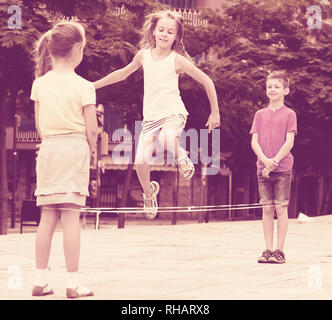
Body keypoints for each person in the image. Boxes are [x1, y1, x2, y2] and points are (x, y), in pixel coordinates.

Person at [94, 10, 220, 219]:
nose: (164, 34)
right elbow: (122, 73)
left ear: (176, 37)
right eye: (161, 29)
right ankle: (148, 193)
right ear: (153, 31)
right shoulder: (143, 56)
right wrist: (94, 86)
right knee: (140, 160)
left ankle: (183, 159)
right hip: (151, 118)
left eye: (170, 32)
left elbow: (207, 81)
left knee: (167, 138)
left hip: (173, 112)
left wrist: (215, 112)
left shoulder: (177, 60)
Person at [30, 21, 98, 298]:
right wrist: (91, 153)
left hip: (49, 148)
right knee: (71, 217)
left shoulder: (39, 84)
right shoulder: (84, 86)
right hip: (73, 148)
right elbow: (91, 128)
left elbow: (38, 125)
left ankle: (40, 279)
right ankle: (72, 283)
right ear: (78, 49)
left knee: (47, 216)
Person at [250, 71, 297, 264]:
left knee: (281, 208)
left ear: (286, 90)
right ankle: (268, 249)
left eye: (277, 87)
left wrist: (274, 162)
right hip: (263, 168)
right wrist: (265, 161)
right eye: (270, 86)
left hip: (283, 168)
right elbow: (254, 141)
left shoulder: (290, 114)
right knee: (267, 209)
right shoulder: (259, 114)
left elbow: (289, 142)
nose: (272, 90)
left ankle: (279, 250)